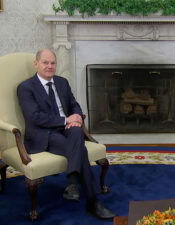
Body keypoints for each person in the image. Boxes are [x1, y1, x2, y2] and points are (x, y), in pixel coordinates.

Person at [17, 49, 115, 220]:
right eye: (45, 62)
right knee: (81, 151)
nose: (49, 66)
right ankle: (92, 201)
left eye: (53, 63)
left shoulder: (62, 82)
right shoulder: (26, 87)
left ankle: (73, 185)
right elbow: (34, 117)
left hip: (68, 129)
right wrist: (65, 121)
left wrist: (76, 116)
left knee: (77, 130)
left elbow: (74, 104)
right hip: (44, 134)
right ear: (36, 64)